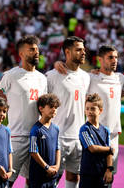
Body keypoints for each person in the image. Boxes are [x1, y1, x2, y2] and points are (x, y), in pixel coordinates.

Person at [55, 45, 124, 185]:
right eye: (110, 57)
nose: (115, 60)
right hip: (92, 134)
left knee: (108, 176)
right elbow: (72, 75)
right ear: (100, 59)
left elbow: (120, 93)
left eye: (116, 57)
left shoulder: (120, 79)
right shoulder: (90, 78)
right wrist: (58, 63)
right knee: (88, 175)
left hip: (112, 135)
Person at [0, 35, 47, 187]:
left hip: (36, 136)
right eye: (31, 50)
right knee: (6, 179)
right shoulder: (11, 75)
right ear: (21, 54)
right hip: (16, 136)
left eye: (37, 49)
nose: (36, 52)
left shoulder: (42, 78)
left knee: (33, 180)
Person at [46, 36, 90, 188]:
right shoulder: (52, 76)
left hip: (78, 137)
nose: (83, 52)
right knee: (52, 177)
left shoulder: (87, 77)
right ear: (67, 52)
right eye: (79, 50)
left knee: (74, 177)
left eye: (83, 49)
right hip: (58, 137)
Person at [79, 93, 114, 188]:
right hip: (88, 174)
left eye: (93, 108)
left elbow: (109, 153)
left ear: (100, 111)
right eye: (87, 108)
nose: (89, 111)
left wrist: (109, 169)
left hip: (102, 173)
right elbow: (92, 148)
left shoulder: (105, 130)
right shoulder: (84, 129)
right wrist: (109, 149)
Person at [29, 93, 61, 188]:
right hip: (39, 177)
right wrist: (46, 167)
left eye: (56, 107)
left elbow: (57, 148)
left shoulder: (56, 129)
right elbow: (33, 151)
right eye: (51, 107)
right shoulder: (36, 129)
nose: (54, 109)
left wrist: (57, 166)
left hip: (52, 176)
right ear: (41, 108)